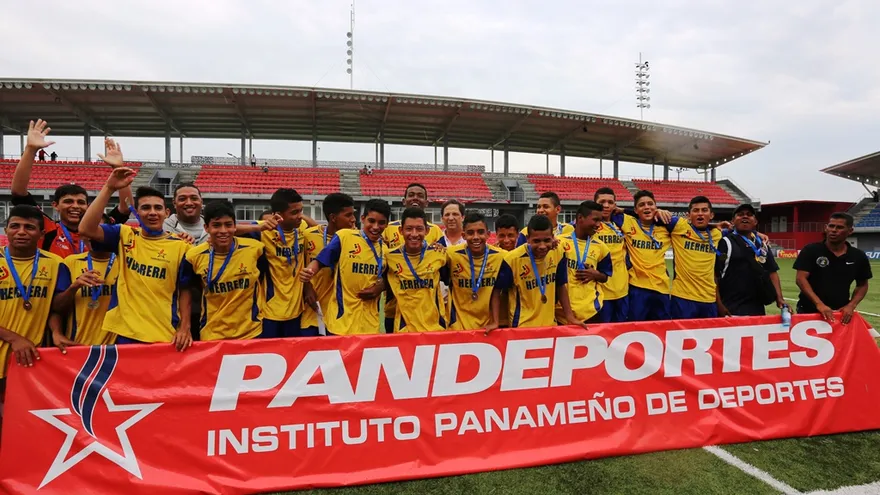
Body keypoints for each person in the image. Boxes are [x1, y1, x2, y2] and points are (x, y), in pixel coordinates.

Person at [79, 169, 193, 351]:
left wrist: (185, 327)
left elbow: (185, 291)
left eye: (158, 208)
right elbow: (85, 229)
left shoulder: (182, 247)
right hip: (126, 333)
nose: (152, 213)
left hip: (165, 333)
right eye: (146, 208)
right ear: (136, 212)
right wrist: (109, 188)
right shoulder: (124, 235)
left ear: (167, 212)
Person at [11, 127, 132, 258]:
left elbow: (126, 209)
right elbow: (18, 193)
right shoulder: (47, 227)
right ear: (55, 205)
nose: (75, 206)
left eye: (80, 202)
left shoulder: (100, 229)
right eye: (68, 201)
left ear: (88, 206)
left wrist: (119, 168)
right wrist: (30, 150)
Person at [0, 205, 69, 385]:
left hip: (31, 356)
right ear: (6, 230)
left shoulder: (56, 264)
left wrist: (56, 332)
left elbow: (53, 307)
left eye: (29, 227)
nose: (21, 232)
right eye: (15, 226)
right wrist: (14, 338)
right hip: (12, 346)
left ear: (41, 233)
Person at [300, 199, 390, 335]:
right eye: (371, 221)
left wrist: (380, 287)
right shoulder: (345, 237)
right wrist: (309, 272)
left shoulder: (385, 250)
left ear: (387, 224)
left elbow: (388, 279)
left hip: (370, 325)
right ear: (363, 219)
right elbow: (320, 261)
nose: (376, 227)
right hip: (341, 323)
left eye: (381, 223)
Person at [181, 201, 267, 341]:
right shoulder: (193, 257)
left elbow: (264, 278)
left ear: (235, 226)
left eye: (228, 225)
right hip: (212, 335)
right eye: (216, 225)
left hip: (251, 333)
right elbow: (186, 290)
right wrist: (185, 327)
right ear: (206, 228)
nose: (223, 231)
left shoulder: (255, 249)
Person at [495, 215, 583, 329]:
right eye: (536, 241)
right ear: (527, 239)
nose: (542, 246)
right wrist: (497, 322)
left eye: (547, 240)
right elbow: (497, 292)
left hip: (550, 324)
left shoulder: (559, 251)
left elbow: (561, 285)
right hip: (522, 327)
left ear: (552, 237)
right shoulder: (512, 259)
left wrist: (570, 317)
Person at [382, 183, 444, 332]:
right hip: (396, 306)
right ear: (404, 200)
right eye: (411, 195)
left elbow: (442, 264)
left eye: (420, 195)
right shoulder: (388, 228)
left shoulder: (435, 231)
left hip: (426, 307)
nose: (415, 198)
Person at [794, 212, 872, 323]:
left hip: (840, 313)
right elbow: (800, 279)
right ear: (826, 228)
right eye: (831, 226)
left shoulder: (858, 256)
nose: (834, 230)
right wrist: (819, 304)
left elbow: (862, 284)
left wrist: (851, 305)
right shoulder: (811, 250)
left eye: (839, 227)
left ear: (850, 231)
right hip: (808, 311)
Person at [253, 188, 309, 338]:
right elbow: (231, 229)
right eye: (294, 213)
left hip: (296, 310)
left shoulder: (302, 228)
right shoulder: (263, 230)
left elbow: (321, 229)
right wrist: (260, 226)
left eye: (301, 211)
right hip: (270, 312)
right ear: (278, 214)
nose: (300, 217)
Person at [301, 193, 357, 334]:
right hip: (313, 311)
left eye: (353, 214)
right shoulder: (308, 235)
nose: (353, 220)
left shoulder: (357, 240)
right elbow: (300, 266)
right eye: (348, 215)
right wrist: (307, 287)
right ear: (333, 218)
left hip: (341, 317)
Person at [716, 204, 785, 316]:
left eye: (749, 215)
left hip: (757, 310)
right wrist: (719, 304)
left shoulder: (762, 244)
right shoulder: (725, 243)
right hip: (731, 309)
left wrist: (779, 298)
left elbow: (772, 271)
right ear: (732, 221)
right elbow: (715, 275)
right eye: (740, 214)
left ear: (755, 221)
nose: (745, 217)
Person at [617, 190, 673, 321]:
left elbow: (693, 226)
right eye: (642, 205)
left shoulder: (667, 226)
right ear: (635, 210)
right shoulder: (628, 222)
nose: (647, 207)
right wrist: (624, 210)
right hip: (637, 288)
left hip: (662, 288)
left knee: (661, 330)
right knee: (636, 329)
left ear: (656, 207)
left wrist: (715, 225)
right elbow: (605, 213)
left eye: (650, 204)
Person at [446, 212, 507, 331]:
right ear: (463, 235)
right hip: (457, 327)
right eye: (470, 233)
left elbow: (524, 256)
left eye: (480, 232)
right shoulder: (450, 254)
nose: (475, 237)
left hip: (487, 327)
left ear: (488, 234)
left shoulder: (501, 256)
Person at [665, 196, 724, 319]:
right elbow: (646, 214)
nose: (700, 214)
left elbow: (739, 232)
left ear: (711, 215)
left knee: (708, 337)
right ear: (688, 215)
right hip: (682, 297)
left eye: (704, 210)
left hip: (709, 298)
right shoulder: (679, 227)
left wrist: (756, 233)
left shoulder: (717, 234)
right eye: (696, 211)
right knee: (680, 337)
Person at [53, 241, 120, 347]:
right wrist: (74, 287)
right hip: (77, 344)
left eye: (97, 231)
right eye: (88, 231)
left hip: (116, 346)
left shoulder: (123, 262)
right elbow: (56, 308)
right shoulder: (70, 262)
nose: (92, 236)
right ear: (82, 235)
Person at [558, 201, 612, 324]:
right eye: (595, 220)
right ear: (580, 218)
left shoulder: (601, 247)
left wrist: (595, 274)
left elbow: (605, 277)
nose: (599, 225)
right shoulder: (560, 243)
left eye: (601, 220)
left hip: (591, 311)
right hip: (561, 312)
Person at [593, 187, 630, 322]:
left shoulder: (622, 223)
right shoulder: (588, 226)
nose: (606, 205)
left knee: (621, 333)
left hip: (622, 290)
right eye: (602, 201)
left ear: (615, 205)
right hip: (601, 292)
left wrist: (625, 210)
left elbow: (644, 215)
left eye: (610, 202)